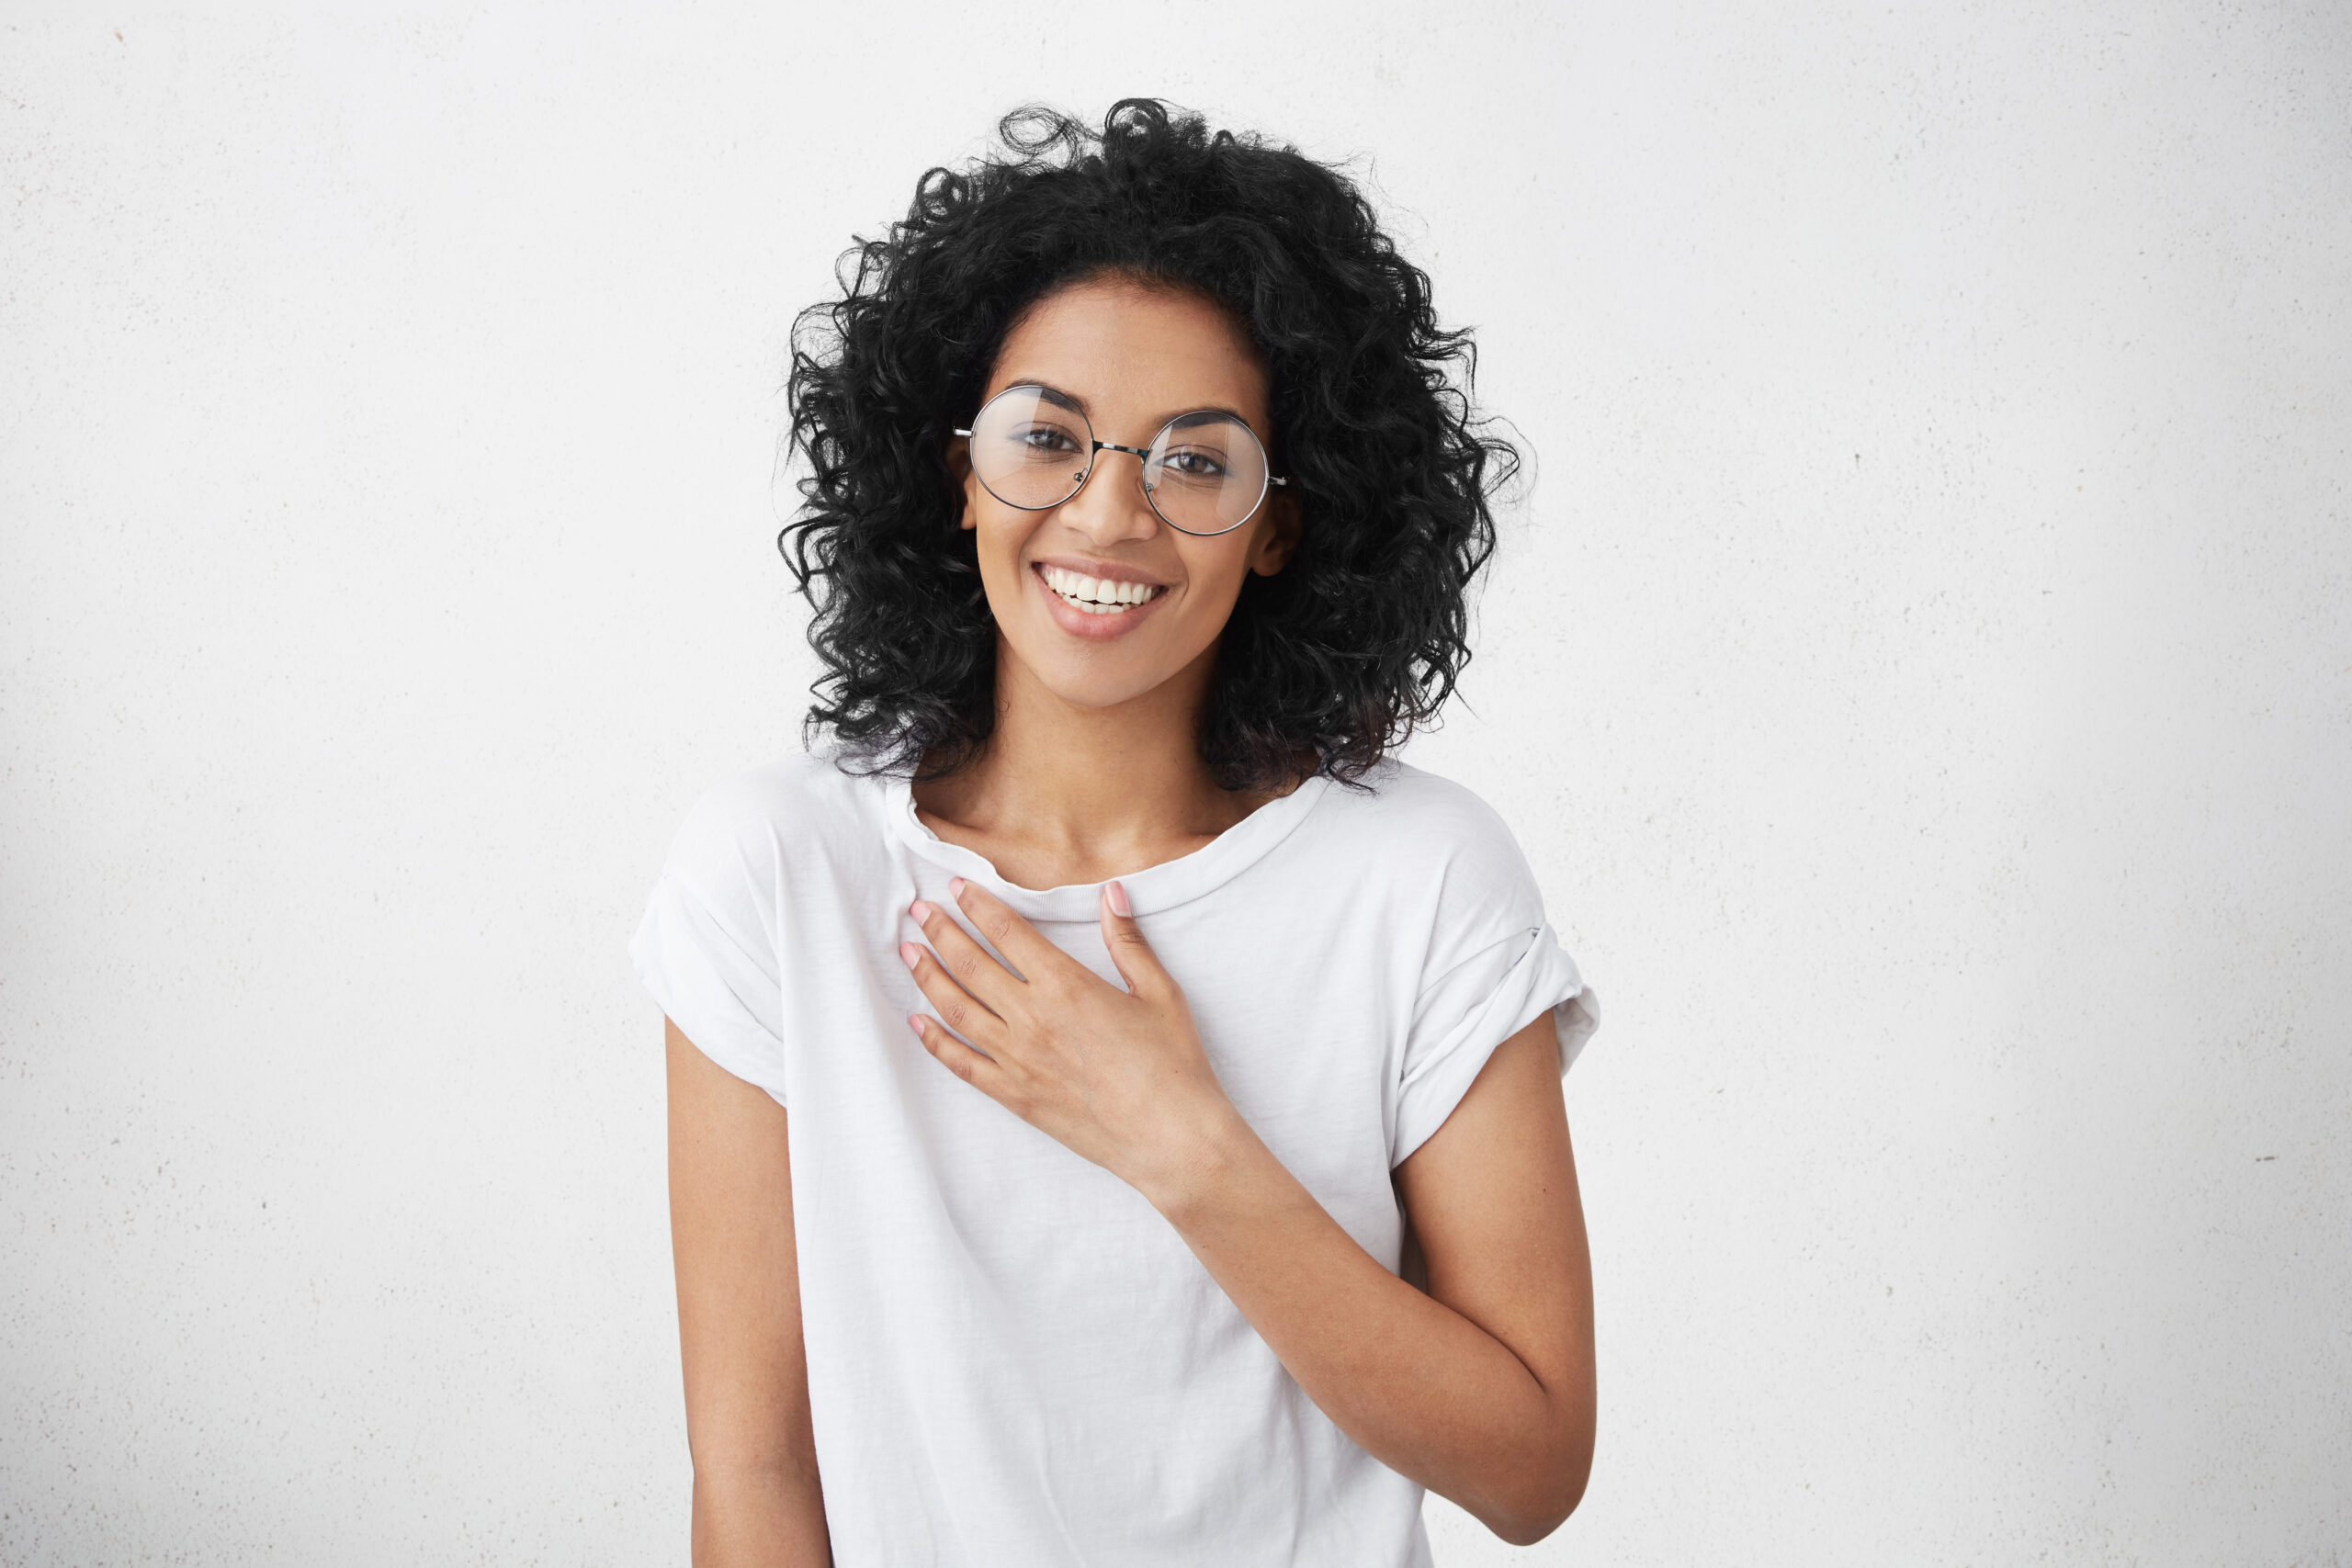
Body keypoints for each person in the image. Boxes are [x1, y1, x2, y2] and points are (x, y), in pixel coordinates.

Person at [630, 98, 1600, 1567]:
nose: (1108, 514)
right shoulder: (779, 873)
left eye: (1195, 461)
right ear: (959, 471)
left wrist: (1180, 1142)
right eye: (1048, 438)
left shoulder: (1422, 879)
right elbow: (756, 1474)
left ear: (1285, 518)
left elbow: (1531, 1472)